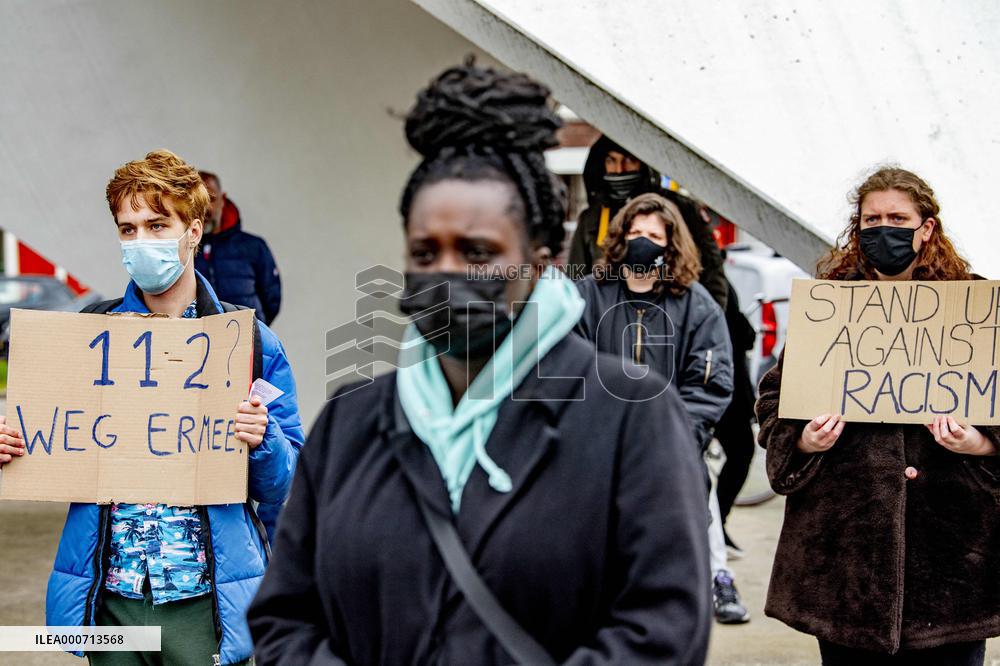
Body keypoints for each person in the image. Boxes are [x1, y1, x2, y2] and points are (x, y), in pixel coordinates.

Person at [248, 62, 711, 665]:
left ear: (539, 262)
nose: (447, 272)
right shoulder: (349, 422)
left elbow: (664, 628)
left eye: (477, 252)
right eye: (425, 252)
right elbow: (284, 617)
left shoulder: (630, 415)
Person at [0, 150, 304, 665]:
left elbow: (282, 483)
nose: (141, 241)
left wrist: (263, 439)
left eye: (158, 225)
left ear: (194, 231)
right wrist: (13, 445)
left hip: (205, 606)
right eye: (128, 229)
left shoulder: (249, 343)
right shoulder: (87, 335)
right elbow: (55, 439)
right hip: (112, 602)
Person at [756, 166, 1000, 665]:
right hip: (846, 559)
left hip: (951, 559)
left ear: (926, 228)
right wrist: (803, 441)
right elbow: (774, 399)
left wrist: (981, 443)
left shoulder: (972, 307)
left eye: (897, 218)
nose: (883, 228)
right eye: (872, 220)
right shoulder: (829, 308)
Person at [574, 192, 749, 625]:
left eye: (654, 235)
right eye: (635, 232)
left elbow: (708, 384)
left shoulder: (697, 305)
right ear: (619, 237)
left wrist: (673, 439)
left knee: (683, 523)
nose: (642, 242)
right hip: (599, 451)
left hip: (669, 449)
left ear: (671, 244)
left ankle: (716, 579)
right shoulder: (587, 295)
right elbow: (566, 369)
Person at [567, 135, 728, 308]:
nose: (619, 169)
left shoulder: (682, 210)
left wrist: (707, 318)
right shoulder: (592, 218)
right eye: (611, 160)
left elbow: (713, 274)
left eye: (629, 160)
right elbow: (576, 279)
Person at [196, 171, 282, 326]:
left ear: (223, 199)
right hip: (199, 338)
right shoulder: (182, 249)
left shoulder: (253, 247)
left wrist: (255, 329)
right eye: (199, 201)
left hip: (247, 337)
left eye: (211, 199)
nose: (206, 207)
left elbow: (272, 300)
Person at [713, 275, 758, 557]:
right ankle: (716, 524)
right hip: (725, 387)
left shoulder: (714, 279)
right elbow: (741, 333)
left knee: (739, 452)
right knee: (741, 451)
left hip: (727, 386)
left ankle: (717, 523)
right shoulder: (711, 279)